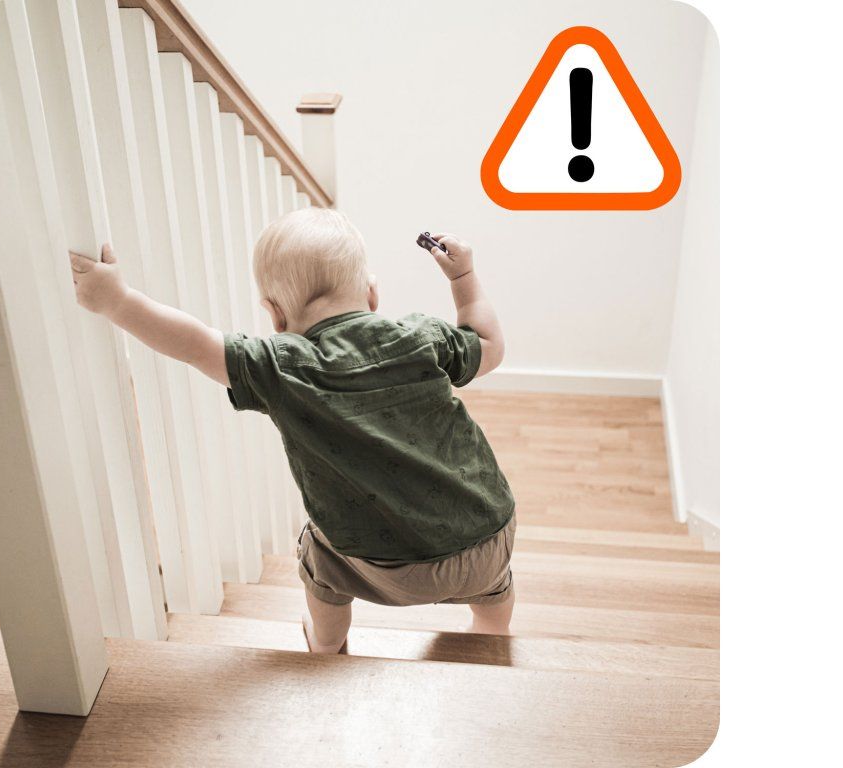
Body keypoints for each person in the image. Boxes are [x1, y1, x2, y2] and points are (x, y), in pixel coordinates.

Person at [70, 207, 516, 654]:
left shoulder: (280, 366)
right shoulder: (422, 338)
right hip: (486, 542)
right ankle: (491, 631)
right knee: (493, 585)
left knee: (317, 551)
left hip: (376, 567)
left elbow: (195, 344)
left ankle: (327, 642)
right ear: (371, 293)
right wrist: (463, 278)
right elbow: (490, 346)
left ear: (275, 315)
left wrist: (117, 302)